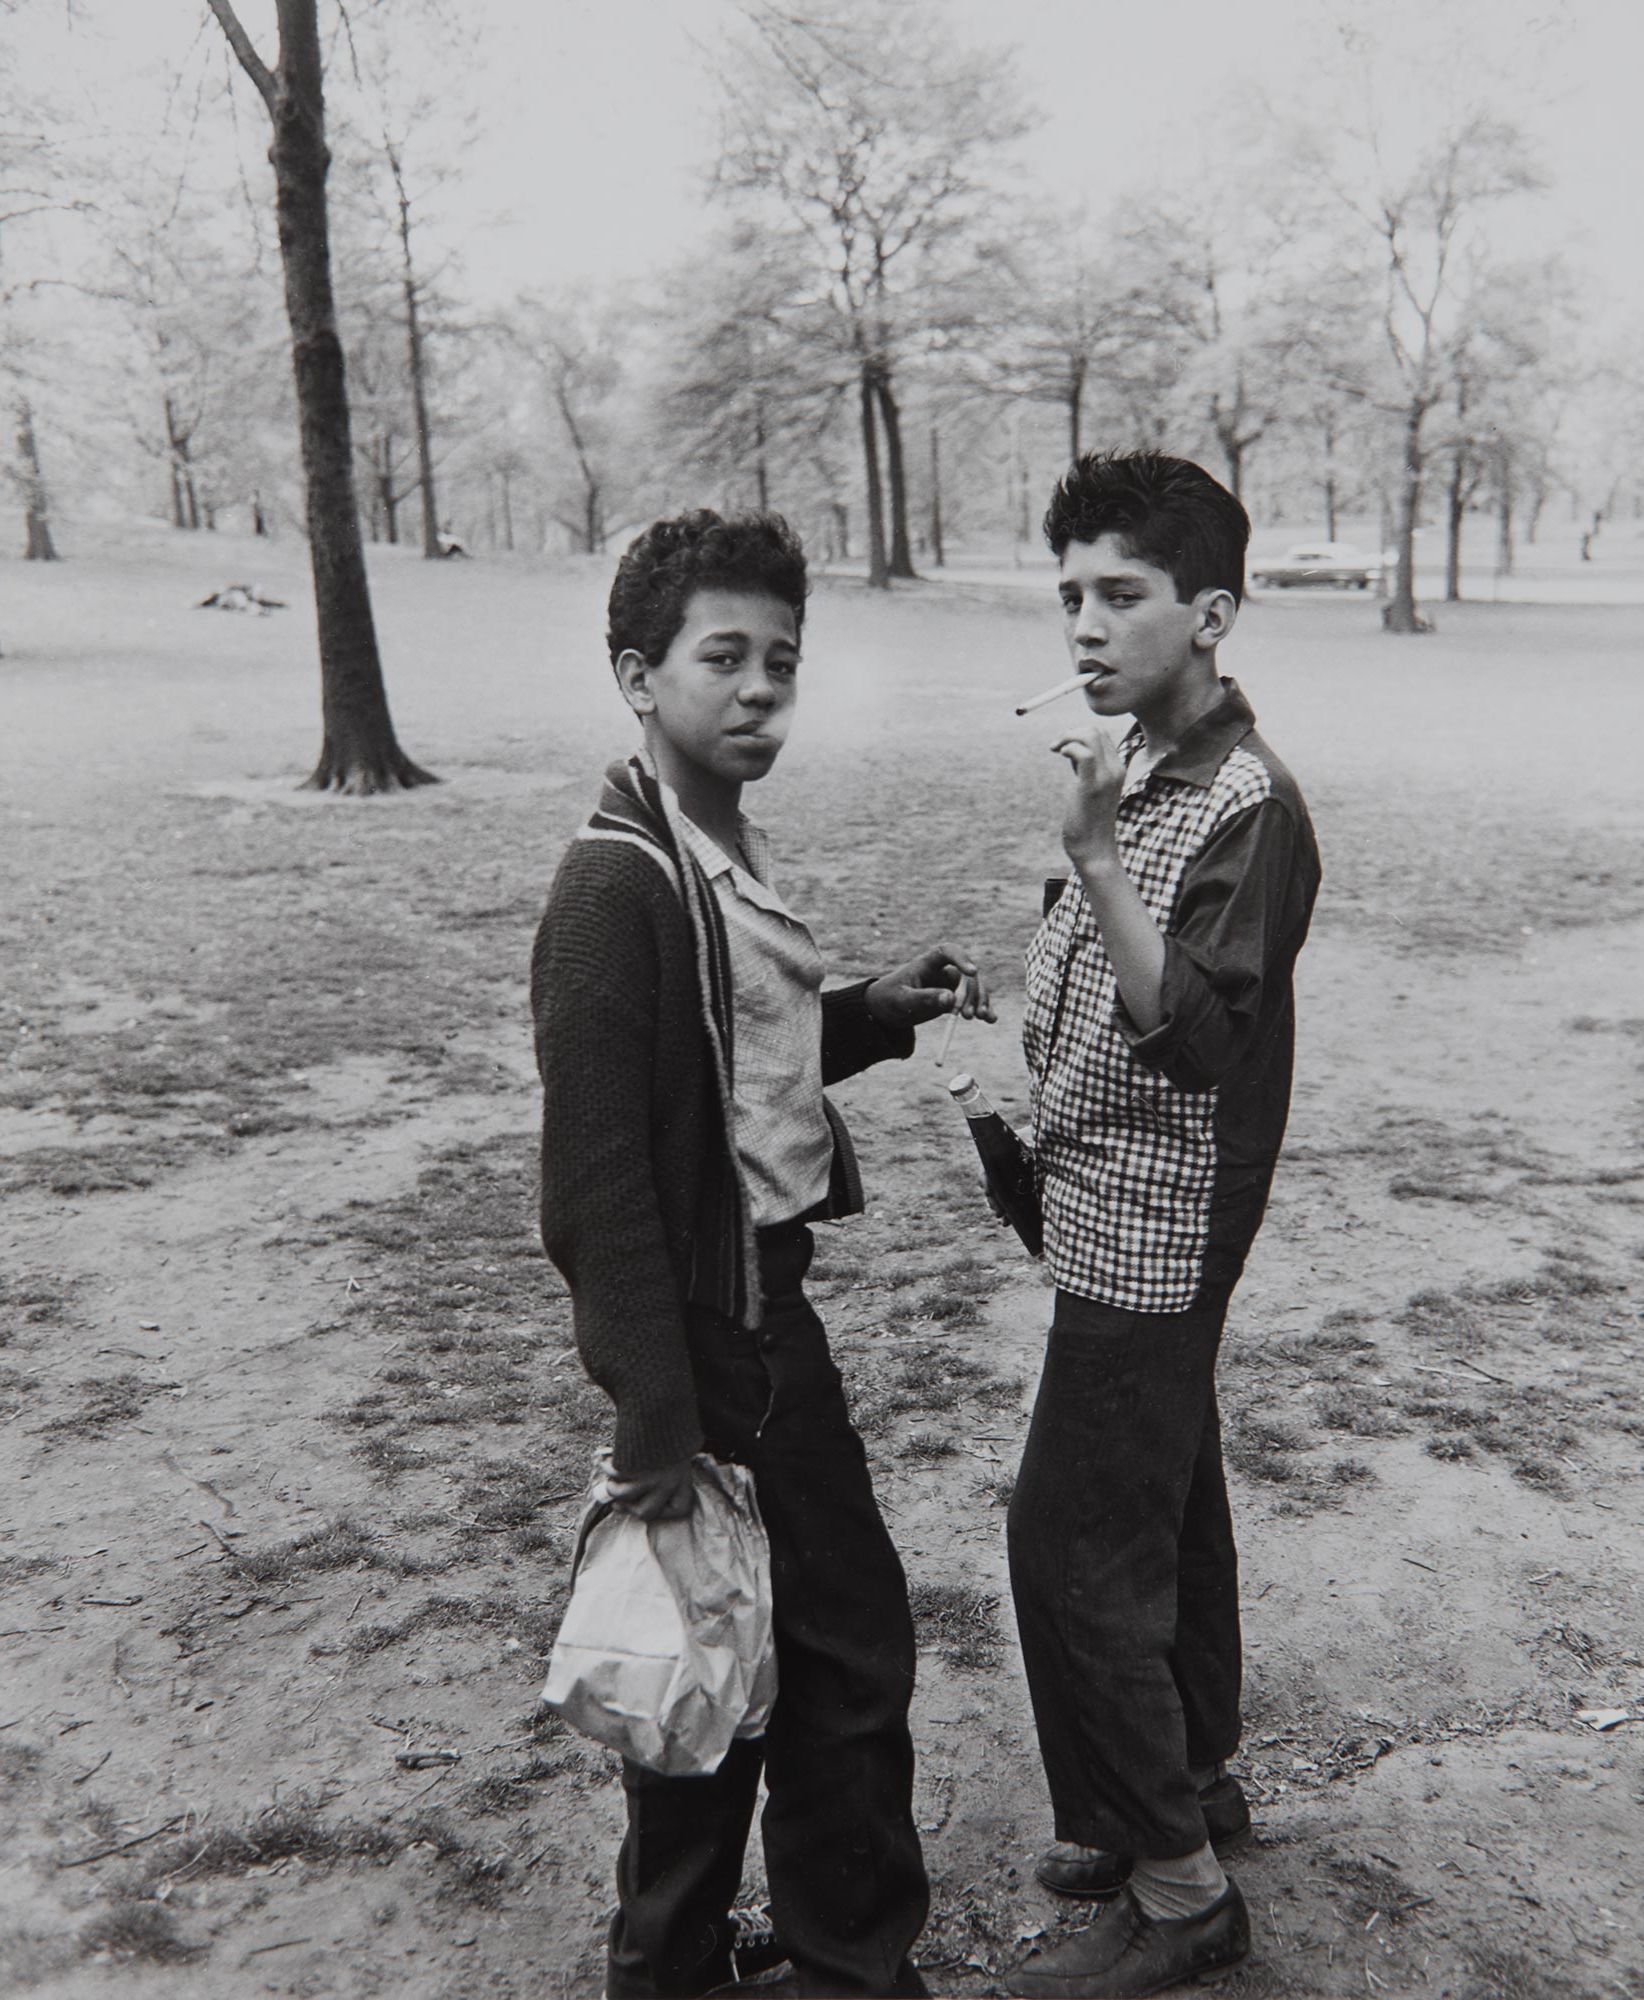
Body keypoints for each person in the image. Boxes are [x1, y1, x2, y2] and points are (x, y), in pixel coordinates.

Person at [531, 509, 994, 2000]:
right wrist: (659, 1417)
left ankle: (677, 1966)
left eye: (781, 661)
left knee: (726, 1651)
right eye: (720, 656)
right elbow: (599, 1189)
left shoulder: (709, 845)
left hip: (751, 1313)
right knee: (833, 1653)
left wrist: (872, 1004)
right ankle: (848, 1963)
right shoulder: (616, 887)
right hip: (722, 1339)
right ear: (635, 672)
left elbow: (738, 1077)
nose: (756, 689)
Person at [1006, 452, 1322, 1998]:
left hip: (1169, 1210)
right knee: (1166, 1498)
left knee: (1072, 1539)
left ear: (1210, 611)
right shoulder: (1147, 760)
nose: (1083, 623)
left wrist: (1089, 856)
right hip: (1111, 1196)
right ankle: (1187, 1786)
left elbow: (1193, 1032)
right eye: (1069, 593)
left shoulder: (1250, 804)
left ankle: (1182, 1892)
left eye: (1118, 594)